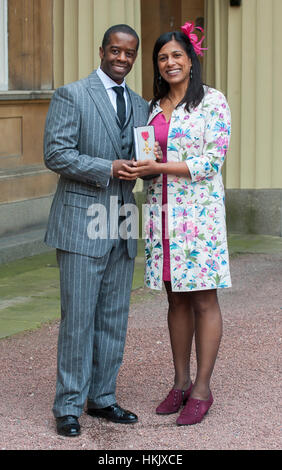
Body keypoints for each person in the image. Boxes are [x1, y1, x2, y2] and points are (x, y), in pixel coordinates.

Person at [119, 22, 232, 425]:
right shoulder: (154, 106)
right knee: (175, 299)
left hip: (199, 217)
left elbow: (210, 161)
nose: (170, 63)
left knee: (203, 298)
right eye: (163, 57)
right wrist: (141, 170)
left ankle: (202, 388)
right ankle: (180, 382)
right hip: (162, 215)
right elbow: (149, 159)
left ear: (191, 59)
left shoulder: (212, 102)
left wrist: (159, 165)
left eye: (177, 55)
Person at [43, 24, 150, 437]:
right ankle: (68, 406)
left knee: (113, 317)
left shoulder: (140, 105)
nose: (122, 59)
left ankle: (102, 398)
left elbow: (144, 157)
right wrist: (106, 168)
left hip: (122, 222)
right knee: (79, 319)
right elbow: (56, 153)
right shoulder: (72, 94)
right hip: (80, 222)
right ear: (102, 50)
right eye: (115, 51)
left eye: (129, 54)